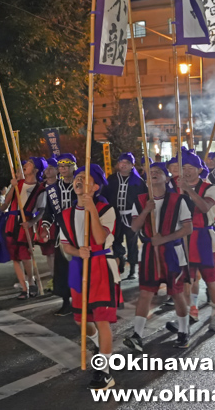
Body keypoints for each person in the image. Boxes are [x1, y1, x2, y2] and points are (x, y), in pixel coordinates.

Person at [58, 164, 119, 391]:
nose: (79, 180)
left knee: (101, 319)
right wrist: (77, 252)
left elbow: (99, 238)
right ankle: (97, 345)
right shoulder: (65, 214)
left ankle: (104, 371)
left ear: (96, 186)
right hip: (78, 267)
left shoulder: (106, 209)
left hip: (101, 266)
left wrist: (91, 207)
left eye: (86, 178)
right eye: (78, 177)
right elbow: (66, 246)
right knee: (81, 320)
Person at [126, 161, 193, 350]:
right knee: (146, 292)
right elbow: (134, 227)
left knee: (176, 292)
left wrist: (164, 239)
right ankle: (137, 334)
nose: (153, 174)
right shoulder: (140, 200)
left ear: (166, 177)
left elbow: (188, 228)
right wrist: (146, 210)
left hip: (173, 251)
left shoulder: (178, 200)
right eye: (150, 172)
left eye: (157, 172)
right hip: (149, 251)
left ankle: (183, 331)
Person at [178, 149, 215, 332]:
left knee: (210, 278)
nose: (187, 170)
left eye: (191, 167)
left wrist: (188, 190)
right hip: (183, 237)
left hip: (204, 237)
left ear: (199, 170)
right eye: (184, 167)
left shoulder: (211, 188)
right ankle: (191, 311)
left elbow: (205, 207)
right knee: (187, 279)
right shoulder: (176, 186)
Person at [2, 157, 47, 299]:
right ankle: (23, 286)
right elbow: (7, 202)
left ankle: (31, 281)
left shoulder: (40, 189)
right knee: (15, 257)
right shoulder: (18, 183)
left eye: (30, 164)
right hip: (11, 222)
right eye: (27, 163)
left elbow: (41, 210)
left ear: (36, 170)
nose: (26, 165)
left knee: (25, 255)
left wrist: (32, 222)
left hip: (25, 224)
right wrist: (12, 186)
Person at [41, 153, 78, 316]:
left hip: (78, 231)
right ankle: (65, 301)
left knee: (78, 267)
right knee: (62, 268)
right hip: (61, 232)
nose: (63, 169)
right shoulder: (53, 188)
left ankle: (81, 300)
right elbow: (49, 211)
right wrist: (45, 226)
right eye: (61, 167)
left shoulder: (79, 185)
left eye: (67, 166)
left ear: (73, 167)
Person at [101, 152, 147, 280]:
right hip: (114, 216)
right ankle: (119, 262)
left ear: (132, 165)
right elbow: (104, 196)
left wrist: (141, 216)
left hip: (131, 216)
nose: (124, 165)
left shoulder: (137, 181)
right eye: (122, 162)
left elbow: (143, 199)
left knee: (132, 243)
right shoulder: (112, 179)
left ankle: (133, 268)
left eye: (127, 163)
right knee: (115, 240)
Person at [36, 157, 59, 290]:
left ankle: (61, 278)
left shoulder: (61, 186)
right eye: (47, 168)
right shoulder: (41, 186)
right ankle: (53, 277)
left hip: (58, 223)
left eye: (52, 168)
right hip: (44, 222)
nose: (48, 171)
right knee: (48, 252)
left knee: (58, 252)